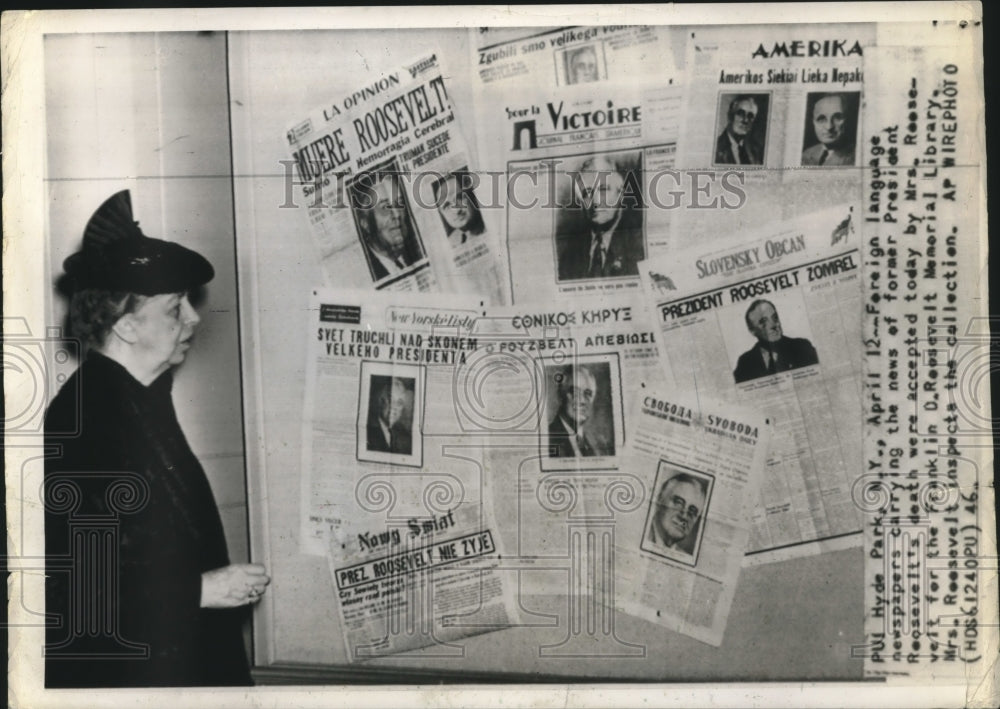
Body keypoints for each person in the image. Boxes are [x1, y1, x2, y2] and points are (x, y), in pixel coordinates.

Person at [44, 190, 269, 687]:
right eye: (173, 308)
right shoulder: (85, 422)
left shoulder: (137, 401)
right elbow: (72, 591)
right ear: (125, 326)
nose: (192, 317)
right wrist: (197, 591)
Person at [556, 155, 644, 281]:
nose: (596, 202)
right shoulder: (570, 255)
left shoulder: (638, 246)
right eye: (587, 193)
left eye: (603, 189)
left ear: (620, 194)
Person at [355, 171, 424, 280]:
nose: (397, 215)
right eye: (385, 207)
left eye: (400, 204)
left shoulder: (418, 254)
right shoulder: (362, 275)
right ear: (365, 223)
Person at [733, 299, 819, 383]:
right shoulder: (745, 362)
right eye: (764, 321)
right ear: (752, 331)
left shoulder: (801, 347)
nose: (774, 325)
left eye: (775, 318)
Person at [547, 365, 612, 458]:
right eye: (574, 392)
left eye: (588, 394)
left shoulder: (596, 445)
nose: (581, 401)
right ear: (560, 395)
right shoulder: (547, 439)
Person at [646, 473, 707, 556]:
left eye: (692, 511)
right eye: (678, 503)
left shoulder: (685, 557)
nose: (684, 516)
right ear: (659, 500)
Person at [801, 93, 855, 166]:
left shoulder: (855, 156)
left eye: (837, 117)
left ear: (848, 120)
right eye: (821, 119)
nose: (829, 127)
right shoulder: (807, 154)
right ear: (813, 122)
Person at [433, 171, 485, 245]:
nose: (456, 210)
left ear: (472, 196)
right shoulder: (449, 243)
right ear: (441, 213)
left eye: (460, 198)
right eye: (446, 205)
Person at [366, 377, 414, 455]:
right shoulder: (368, 430)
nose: (394, 407)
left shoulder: (403, 433)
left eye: (399, 403)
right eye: (391, 400)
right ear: (381, 400)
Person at [715, 95, 764, 166]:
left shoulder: (756, 151)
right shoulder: (716, 148)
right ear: (730, 116)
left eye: (750, 116)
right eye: (741, 113)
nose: (746, 120)